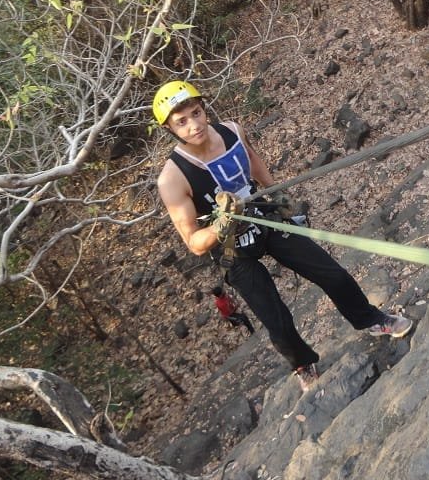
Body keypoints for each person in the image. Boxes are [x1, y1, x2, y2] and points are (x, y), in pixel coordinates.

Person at [154, 80, 412, 392]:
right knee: (276, 318)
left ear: (204, 108)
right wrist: (222, 223)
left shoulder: (232, 131)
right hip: (231, 248)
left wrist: (278, 192)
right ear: (169, 128)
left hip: (263, 215)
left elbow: (253, 161)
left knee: (332, 274)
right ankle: (302, 363)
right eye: (181, 122)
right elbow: (194, 243)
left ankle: (370, 319)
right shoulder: (172, 178)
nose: (194, 125)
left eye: (196, 113)